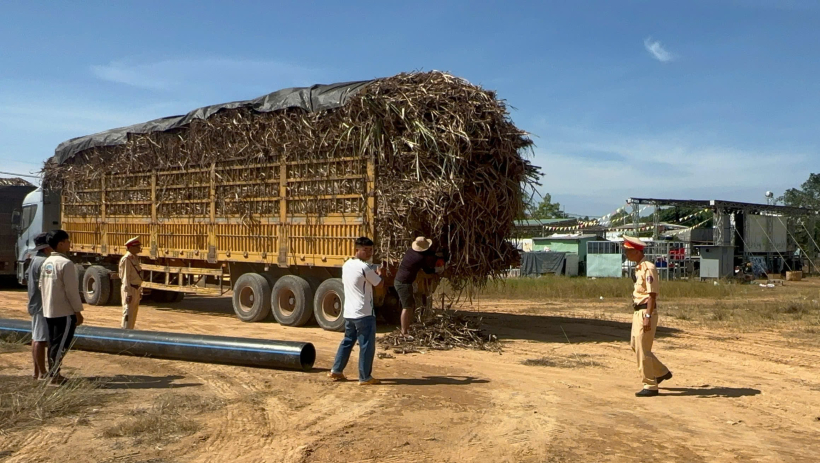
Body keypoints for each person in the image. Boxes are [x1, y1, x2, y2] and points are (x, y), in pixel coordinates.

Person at [328, 237, 384, 385]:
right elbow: (379, 284)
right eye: (366, 250)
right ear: (357, 250)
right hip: (364, 312)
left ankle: (336, 370)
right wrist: (379, 273)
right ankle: (365, 377)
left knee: (347, 341)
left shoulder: (347, 265)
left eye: (371, 250)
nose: (369, 253)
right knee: (366, 345)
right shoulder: (365, 268)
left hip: (349, 312)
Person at [623, 235, 672, 397]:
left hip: (646, 311)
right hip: (638, 310)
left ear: (637, 252)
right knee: (635, 345)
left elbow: (652, 294)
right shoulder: (638, 268)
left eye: (628, 251)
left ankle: (650, 385)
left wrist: (648, 316)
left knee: (642, 349)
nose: (626, 254)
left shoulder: (648, 268)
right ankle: (661, 371)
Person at [40, 229, 84, 385]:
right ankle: (54, 375)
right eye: (67, 241)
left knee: (53, 343)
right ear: (60, 244)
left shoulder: (47, 262)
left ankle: (53, 372)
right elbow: (71, 291)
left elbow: (41, 286)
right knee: (61, 345)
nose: (69, 244)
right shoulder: (66, 263)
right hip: (64, 311)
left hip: (49, 310)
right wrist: (77, 311)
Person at [394, 236, 438, 335]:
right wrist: (436, 270)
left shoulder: (410, 251)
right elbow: (427, 270)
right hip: (403, 283)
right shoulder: (419, 258)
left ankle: (407, 328)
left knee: (410, 306)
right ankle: (404, 331)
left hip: (401, 281)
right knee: (407, 307)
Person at [26, 232, 52, 380]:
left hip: (35, 303)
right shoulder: (44, 262)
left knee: (36, 337)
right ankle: (42, 372)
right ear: (47, 247)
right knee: (40, 339)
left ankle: (37, 371)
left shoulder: (34, 260)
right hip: (42, 305)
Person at [119, 236, 143, 329]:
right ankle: (124, 333)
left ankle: (130, 331)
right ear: (131, 247)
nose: (139, 248)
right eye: (137, 246)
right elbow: (125, 277)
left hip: (136, 288)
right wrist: (128, 293)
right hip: (130, 289)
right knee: (128, 313)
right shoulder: (127, 259)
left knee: (133, 314)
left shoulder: (134, 258)